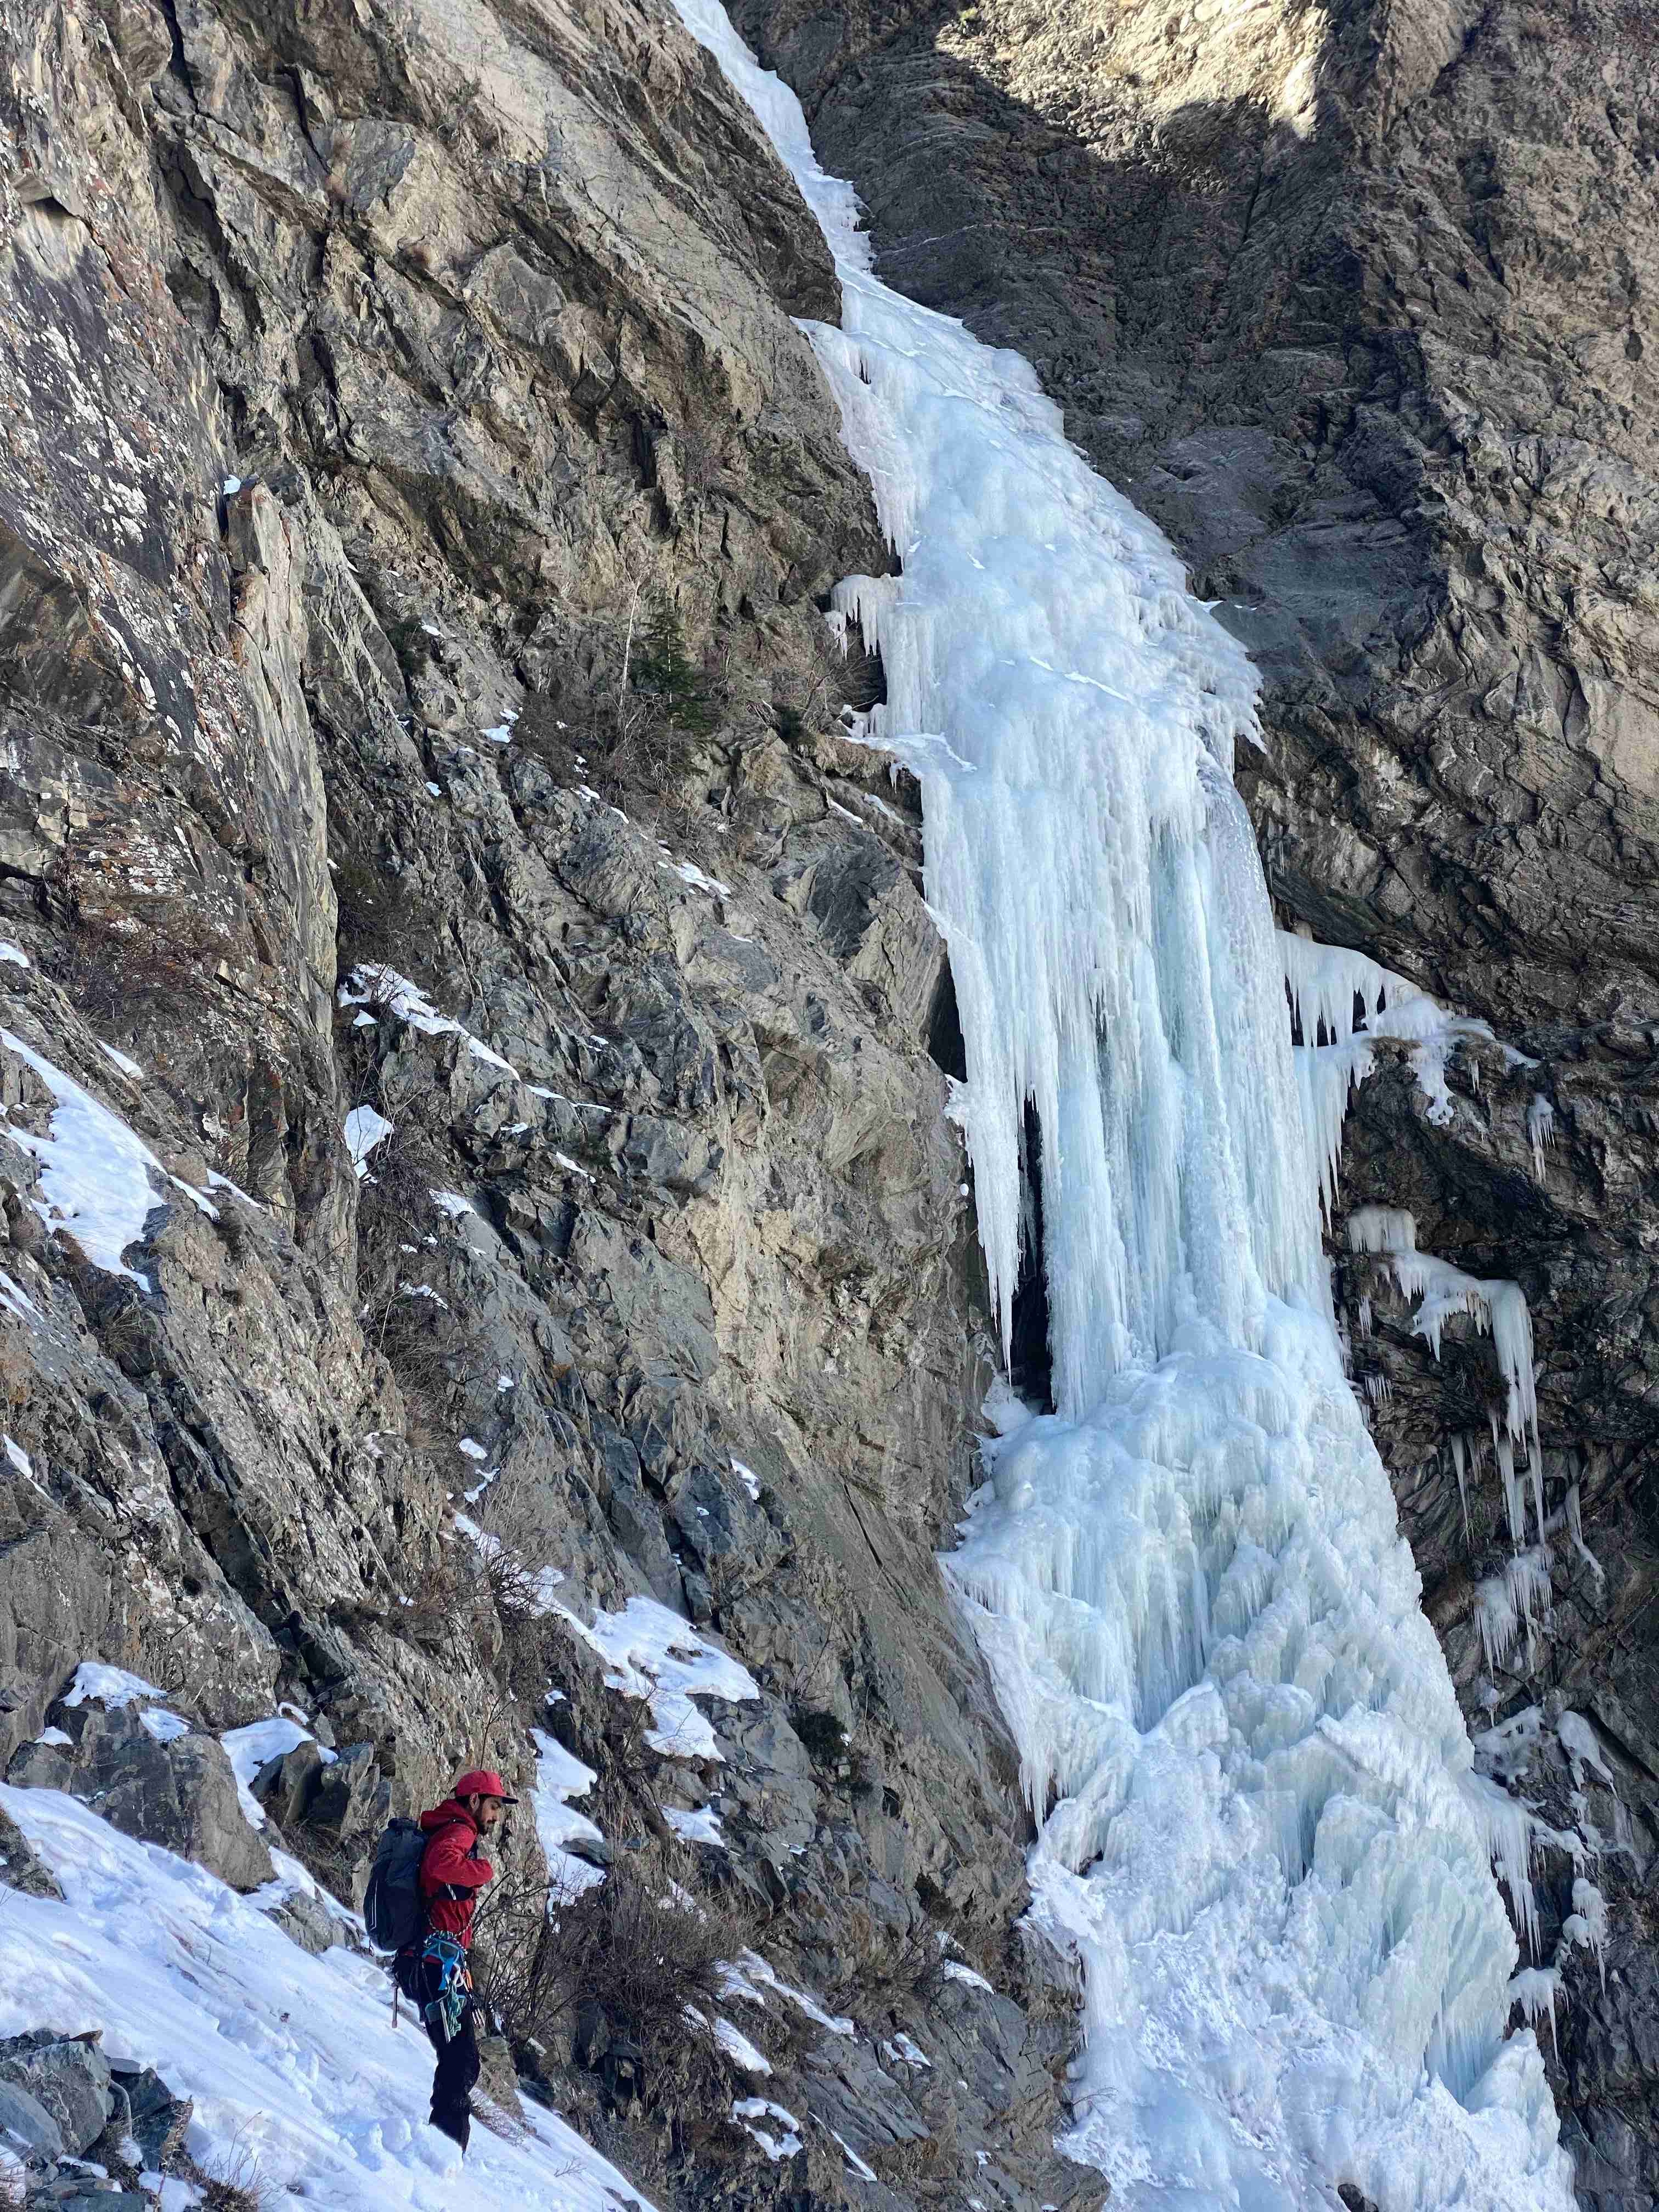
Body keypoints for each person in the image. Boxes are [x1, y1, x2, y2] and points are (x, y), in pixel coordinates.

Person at [413, 1767, 517, 2152]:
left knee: (459, 2060)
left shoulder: (454, 1827)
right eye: (492, 1806)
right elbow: (441, 1864)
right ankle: (442, 2152)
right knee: (462, 2063)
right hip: (438, 1964)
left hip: (439, 1960)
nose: (495, 1816)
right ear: (473, 1801)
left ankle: (440, 2146)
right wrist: (482, 1871)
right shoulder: (460, 1831)